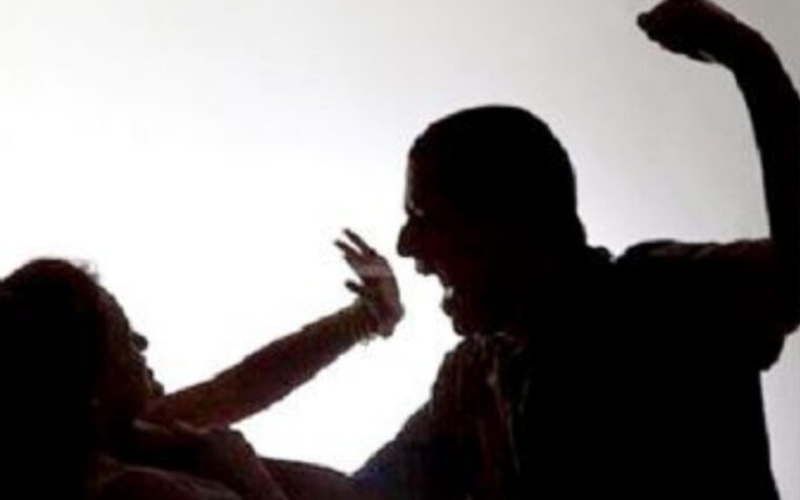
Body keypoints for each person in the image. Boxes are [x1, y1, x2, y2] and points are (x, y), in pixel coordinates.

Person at [352, 1, 799, 499]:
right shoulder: (470, 380)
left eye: (427, 217)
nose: (406, 245)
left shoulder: (665, 294)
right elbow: (356, 495)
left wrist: (754, 66)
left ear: (512, 219)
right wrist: (356, 323)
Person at [0, 230, 402, 499]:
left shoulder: (125, 436)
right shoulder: (132, 489)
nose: (142, 343)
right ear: (87, 377)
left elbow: (243, 385)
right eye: (124, 336)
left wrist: (364, 319)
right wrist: (250, 481)